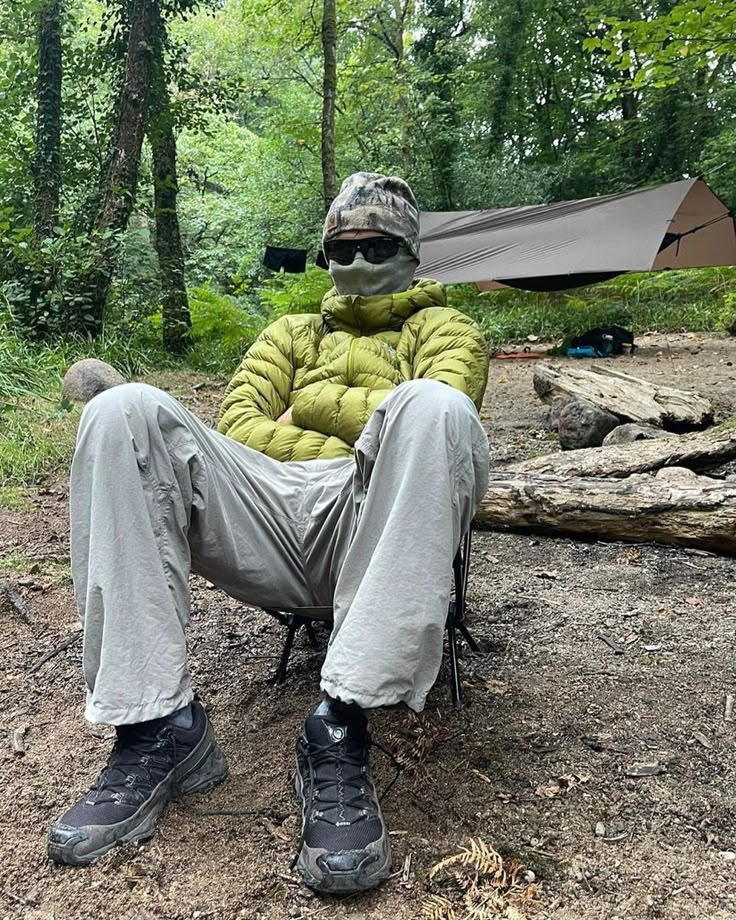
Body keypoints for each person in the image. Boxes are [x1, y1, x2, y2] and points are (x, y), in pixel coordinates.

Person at [48, 173, 490, 893]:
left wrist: (308, 404)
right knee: (120, 411)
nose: (357, 261)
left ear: (410, 250)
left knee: (433, 411)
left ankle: (340, 727)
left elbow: (429, 433)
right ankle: (158, 726)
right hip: (266, 511)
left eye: (376, 245)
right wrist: (356, 426)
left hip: (372, 512)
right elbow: (240, 427)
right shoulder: (288, 333)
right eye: (341, 249)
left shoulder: (448, 331)